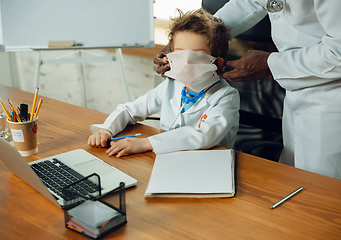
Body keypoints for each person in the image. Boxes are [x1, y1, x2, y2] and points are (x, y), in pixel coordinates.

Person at [154, 1, 341, 183]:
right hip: (295, 92)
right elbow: (250, 2)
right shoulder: (170, 88)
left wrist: (270, 64)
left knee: (323, 194)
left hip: (336, 95)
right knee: (293, 185)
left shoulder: (225, 96)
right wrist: (187, 42)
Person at [88, 8, 240, 158]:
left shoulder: (227, 96)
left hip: (210, 164)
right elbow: (129, 111)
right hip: (169, 158)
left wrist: (147, 143)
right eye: (180, 54)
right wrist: (106, 130)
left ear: (217, 64)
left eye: (197, 56)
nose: (186, 63)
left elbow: (203, 136)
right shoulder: (172, 85)